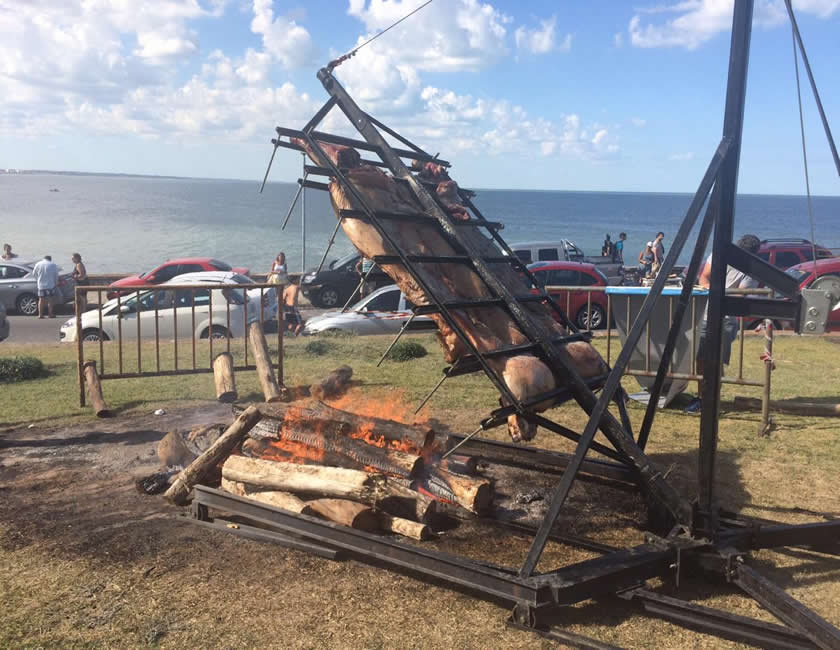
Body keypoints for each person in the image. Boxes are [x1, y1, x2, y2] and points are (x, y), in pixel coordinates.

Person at [685, 233, 761, 414]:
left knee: (715, 361)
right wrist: (713, 291)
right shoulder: (718, 255)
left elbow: (741, 294)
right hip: (705, 315)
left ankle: (712, 399)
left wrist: (719, 295)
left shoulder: (751, 269)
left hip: (726, 320)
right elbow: (704, 277)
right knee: (701, 359)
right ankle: (701, 397)